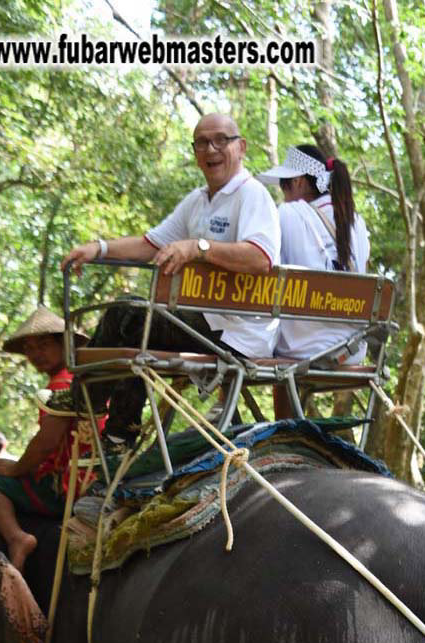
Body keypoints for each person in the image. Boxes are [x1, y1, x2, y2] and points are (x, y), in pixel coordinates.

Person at [61, 113, 281, 440]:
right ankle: (120, 431)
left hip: (235, 332)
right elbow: (150, 244)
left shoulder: (251, 194)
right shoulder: (197, 201)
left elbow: (261, 258)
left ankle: (85, 403)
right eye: (202, 143)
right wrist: (100, 248)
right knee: (140, 323)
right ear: (195, 152)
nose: (212, 149)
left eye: (221, 140)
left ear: (241, 147)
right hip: (202, 323)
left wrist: (199, 247)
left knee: (129, 315)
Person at [0, 307, 95, 571]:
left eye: (44, 345)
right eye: (30, 348)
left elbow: (47, 441)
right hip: (91, 474)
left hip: (69, 486)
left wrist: (15, 468)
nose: (36, 354)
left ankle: (17, 538)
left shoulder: (63, 383)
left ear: (64, 345)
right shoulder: (82, 378)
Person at [258, 144, 370, 366]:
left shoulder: (287, 213)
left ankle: (223, 401)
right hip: (351, 351)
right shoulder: (356, 222)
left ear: (298, 182)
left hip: (300, 350)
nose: (284, 196)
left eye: (285, 188)